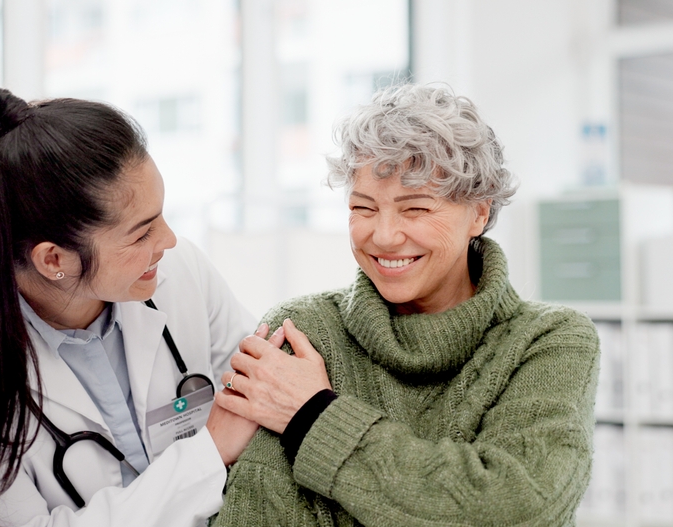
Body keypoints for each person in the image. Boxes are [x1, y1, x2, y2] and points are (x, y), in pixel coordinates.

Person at [210, 84, 600, 526]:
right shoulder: (304, 332)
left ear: (478, 212)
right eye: (364, 207)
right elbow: (259, 514)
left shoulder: (549, 340)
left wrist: (314, 417)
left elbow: (519, 508)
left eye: (414, 209)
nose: (384, 235)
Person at [0, 88, 269, 527]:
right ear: (54, 259)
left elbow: (261, 403)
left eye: (162, 216)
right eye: (141, 233)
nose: (167, 241)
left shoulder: (180, 273)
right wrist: (206, 454)